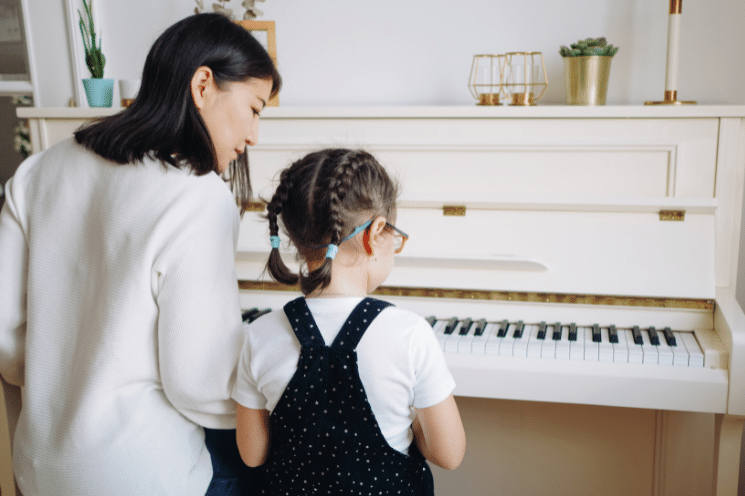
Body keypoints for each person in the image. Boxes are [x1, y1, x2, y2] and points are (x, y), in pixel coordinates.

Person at [0, 13, 280, 496]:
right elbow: (198, 383)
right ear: (203, 84)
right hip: (140, 476)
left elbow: (7, 339)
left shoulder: (38, 169)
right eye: (255, 108)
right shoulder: (198, 193)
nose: (255, 135)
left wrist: (68, 372)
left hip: (39, 468)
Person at [233, 148, 466, 495]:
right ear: (376, 232)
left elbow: (253, 455)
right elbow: (449, 454)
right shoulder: (409, 334)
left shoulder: (259, 335)